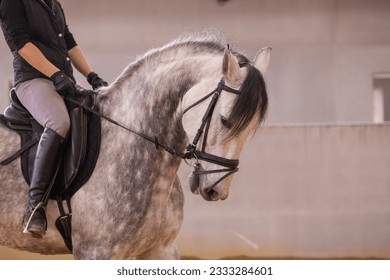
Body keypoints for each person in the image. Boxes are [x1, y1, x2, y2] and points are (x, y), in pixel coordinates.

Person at [0, 0, 107, 237]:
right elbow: (21, 44)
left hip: (61, 80)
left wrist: (92, 76)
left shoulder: (53, 3)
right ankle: (35, 206)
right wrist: (55, 74)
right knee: (58, 122)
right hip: (33, 80)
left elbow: (68, 42)